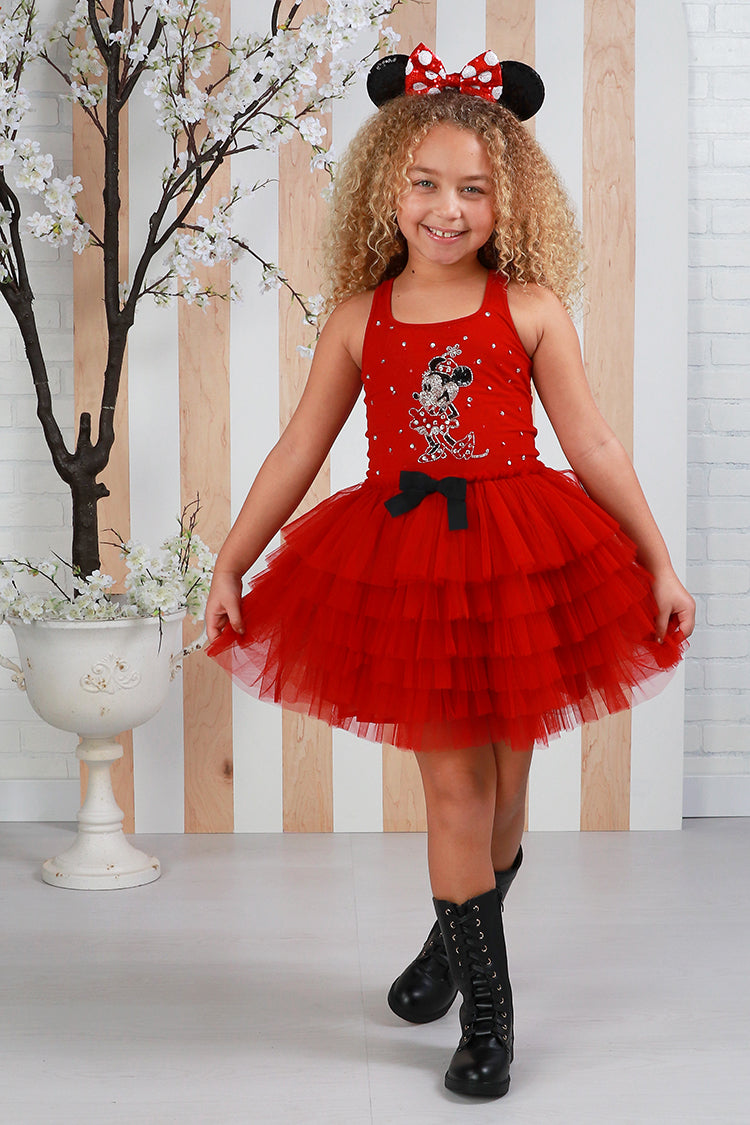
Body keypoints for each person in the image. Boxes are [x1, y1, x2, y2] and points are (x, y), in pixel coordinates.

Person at [205, 45, 695, 1100]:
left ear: (506, 197)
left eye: (473, 188)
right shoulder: (358, 318)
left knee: (508, 795)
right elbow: (299, 449)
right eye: (425, 183)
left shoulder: (529, 308)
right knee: (457, 790)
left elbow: (597, 445)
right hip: (408, 567)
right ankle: (488, 1023)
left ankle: (445, 942)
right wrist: (233, 560)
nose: (447, 207)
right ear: (387, 183)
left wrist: (657, 558)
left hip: (523, 561)